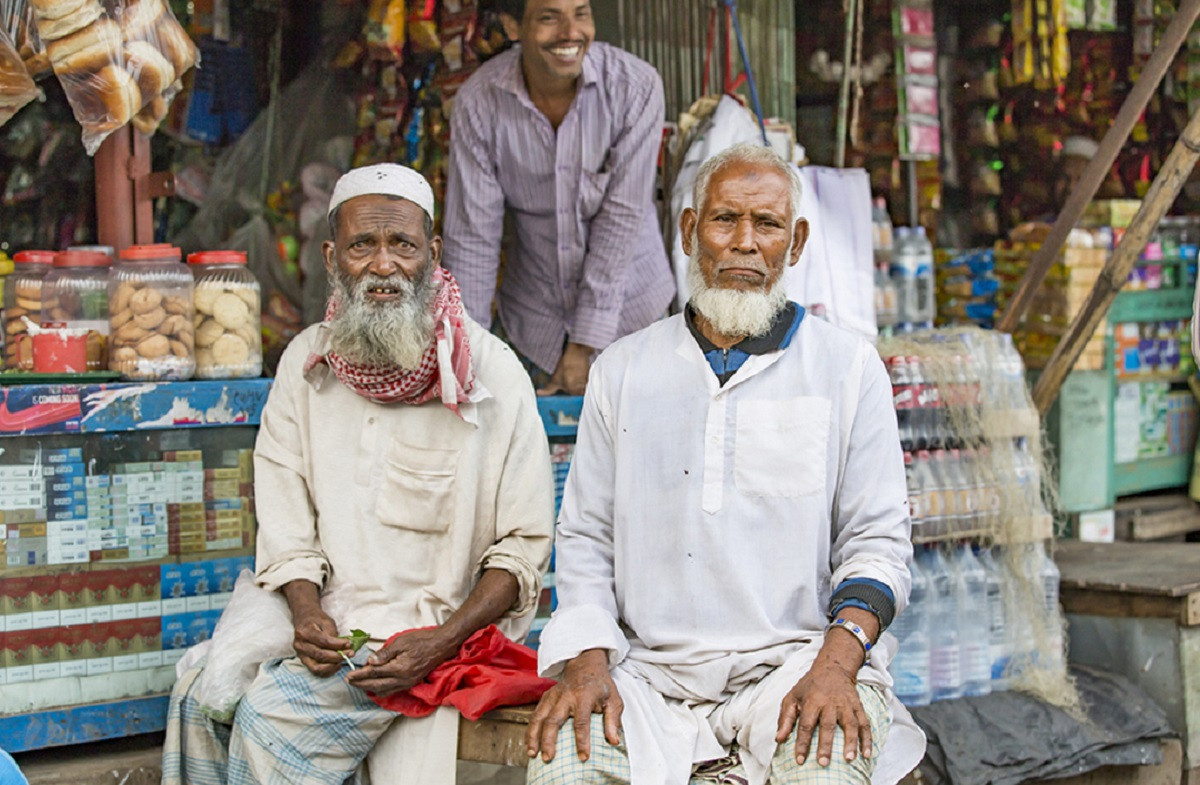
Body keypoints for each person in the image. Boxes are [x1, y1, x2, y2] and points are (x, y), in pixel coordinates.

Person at [525, 144, 925, 785]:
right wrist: (588, 663)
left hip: (796, 669)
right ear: (689, 233)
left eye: (766, 225)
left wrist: (837, 664)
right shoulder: (622, 370)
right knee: (561, 769)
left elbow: (877, 544)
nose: (744, 242)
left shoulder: (848, 368)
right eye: (724, 220)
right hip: (647, 678)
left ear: (794, 244)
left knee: (826, 769)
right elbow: (585, 540)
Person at [162, 164, 555, 785]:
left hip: (435, 635)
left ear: (432, 252)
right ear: (332, 256)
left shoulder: (492, 372)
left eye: (401, 244)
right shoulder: (305, 363)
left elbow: (524, 548)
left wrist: (439, 639)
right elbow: (285, 512)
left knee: (268, 722)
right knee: (197, 699)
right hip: (327, 625)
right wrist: (305, 610)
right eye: (361, 245)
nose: (383, 264)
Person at [443, 0, 675, 396]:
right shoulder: (479, 103)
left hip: (633, 315)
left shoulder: (635, 87)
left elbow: (621, 218)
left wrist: (584, 345)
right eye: (549, 17)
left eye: (581, 13)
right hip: (536, 325)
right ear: (512, 26)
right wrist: (468, 360)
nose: (571, 32)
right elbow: (472, 239)